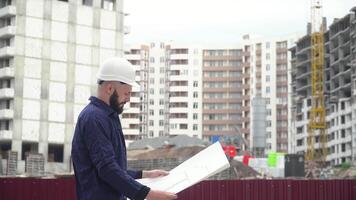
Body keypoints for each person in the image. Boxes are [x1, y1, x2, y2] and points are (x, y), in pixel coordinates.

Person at [71, 57, 177, 200]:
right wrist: (147, 194)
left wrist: (144, 174)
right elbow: (107, 169)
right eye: (127, 93)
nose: (128, 99)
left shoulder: (107, 117)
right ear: (110, 88)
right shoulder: (94, 118)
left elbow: (114, 169)